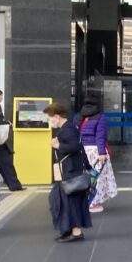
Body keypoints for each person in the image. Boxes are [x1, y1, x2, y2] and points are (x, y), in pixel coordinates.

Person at [45, 102, 92, 243]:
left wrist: (58, 145)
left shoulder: (68, 130)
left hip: (71, 170)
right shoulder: (67, 128)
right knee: (60, 199)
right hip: (68, 169)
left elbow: (75, 147)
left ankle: (76, 232)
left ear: (57, 116)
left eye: (49, 118)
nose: (49, 121)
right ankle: (67, 228)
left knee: (71, 201)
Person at [76, 92, 117, 213]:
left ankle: (83, 202)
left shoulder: (78, 117)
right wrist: (101, 153)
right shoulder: (100, 117)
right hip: (95, 151)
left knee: (84, 177)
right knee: (96, 178)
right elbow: (100, 136)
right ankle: (92, 203)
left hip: (82, 150)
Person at [0, 89, 24, 194]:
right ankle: (15, 185)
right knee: (6, 164)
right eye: (1, 96)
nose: (2, 98)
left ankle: (14, 185)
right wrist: (8, 123)